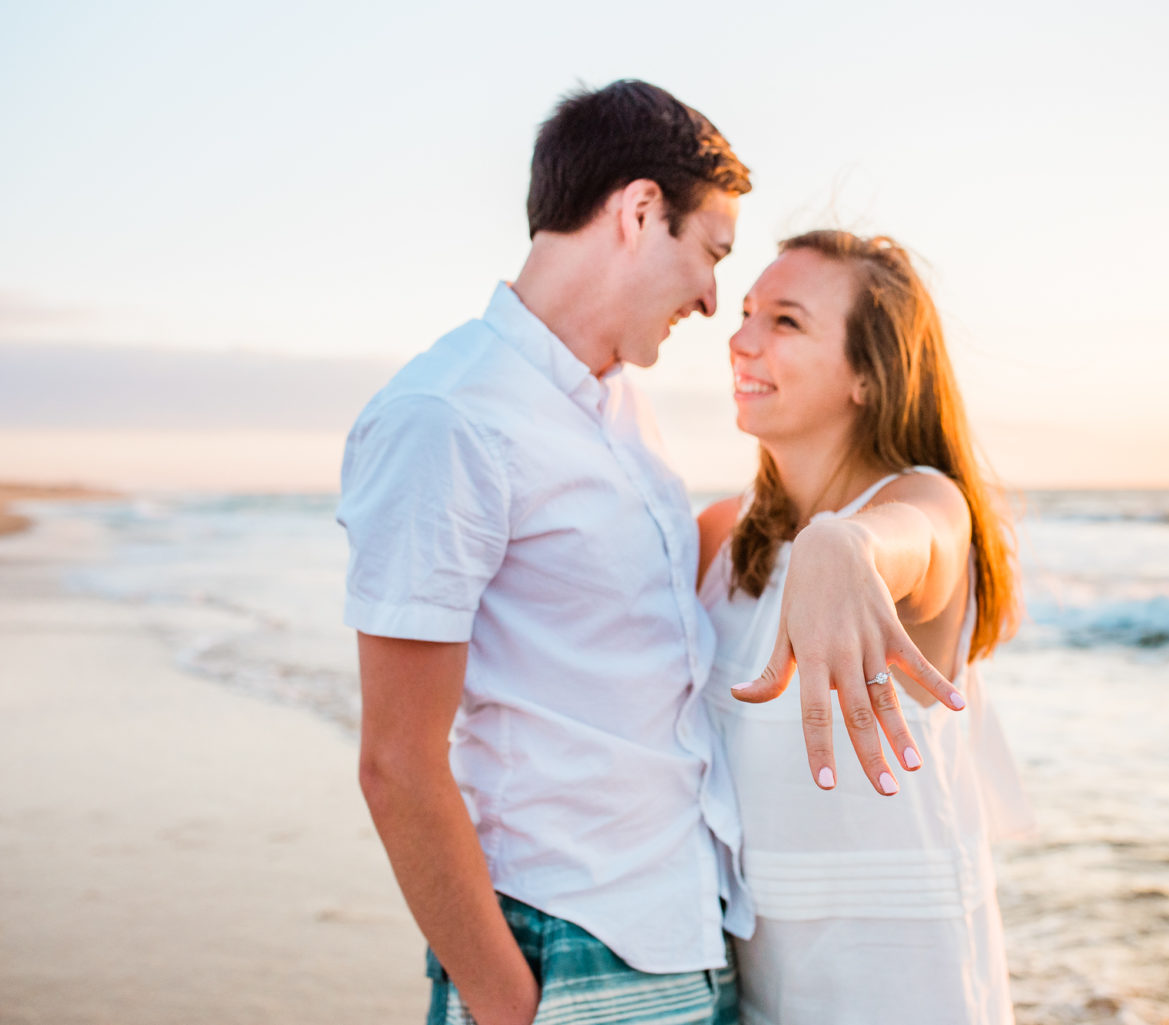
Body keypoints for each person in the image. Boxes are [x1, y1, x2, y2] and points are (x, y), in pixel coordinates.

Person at [337, 83, 965, 1025]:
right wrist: (509, 1003)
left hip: (689, 938)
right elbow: (396, 760)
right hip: (566, 947)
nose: (717, 303)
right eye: (712, 253)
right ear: (639, 212)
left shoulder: (624, 406)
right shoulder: (449, 417)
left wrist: (844, 534)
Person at [699, 231, 1034, 1025]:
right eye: (746, 313)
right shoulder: (719, 535)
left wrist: (843, 541)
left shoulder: (927, 503)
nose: (741, 339)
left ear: (867, 375)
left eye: (785, 321)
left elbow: (914, 537)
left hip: (906, 992)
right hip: (754, 990)